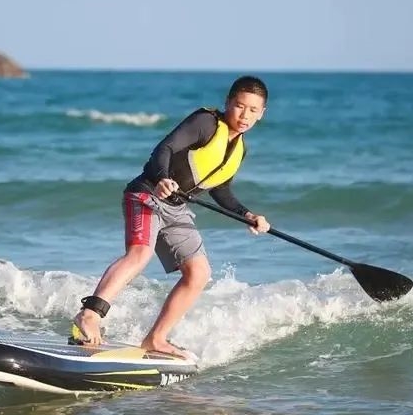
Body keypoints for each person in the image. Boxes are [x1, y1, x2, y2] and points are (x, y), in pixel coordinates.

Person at [72, 75, 271, 357]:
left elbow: (220, 190)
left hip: (177, 209)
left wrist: (247, 214)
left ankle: (156, 339)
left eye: (253, 110)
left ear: (262, 114)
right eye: (240, 106)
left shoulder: (239, 149)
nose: (245, 115)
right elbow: (162, 149)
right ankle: (90, 315)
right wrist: (163, 178)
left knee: (199, 274)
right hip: (147, 194)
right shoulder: (206, 123)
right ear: (228, 103)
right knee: (140, 254)